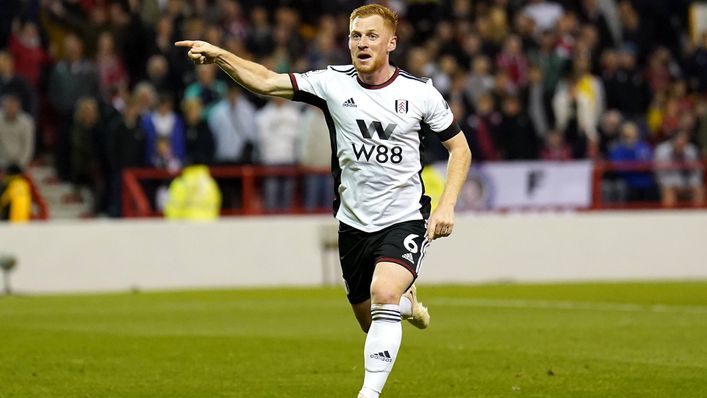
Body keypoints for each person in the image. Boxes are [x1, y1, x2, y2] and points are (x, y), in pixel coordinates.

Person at [176, 4, 472, 397]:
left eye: (371, 36)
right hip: (353, 224)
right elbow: (265, 81)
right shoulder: (332, 84)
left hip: (404, 217)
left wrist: (447, 204)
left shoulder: (420, 93)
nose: (362, 43)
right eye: (355, 35)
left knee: (384, 292)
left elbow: (460, 149)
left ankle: (369, 392)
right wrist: (220, 56)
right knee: (373, 321)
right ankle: (406, 305)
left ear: (391, 43)